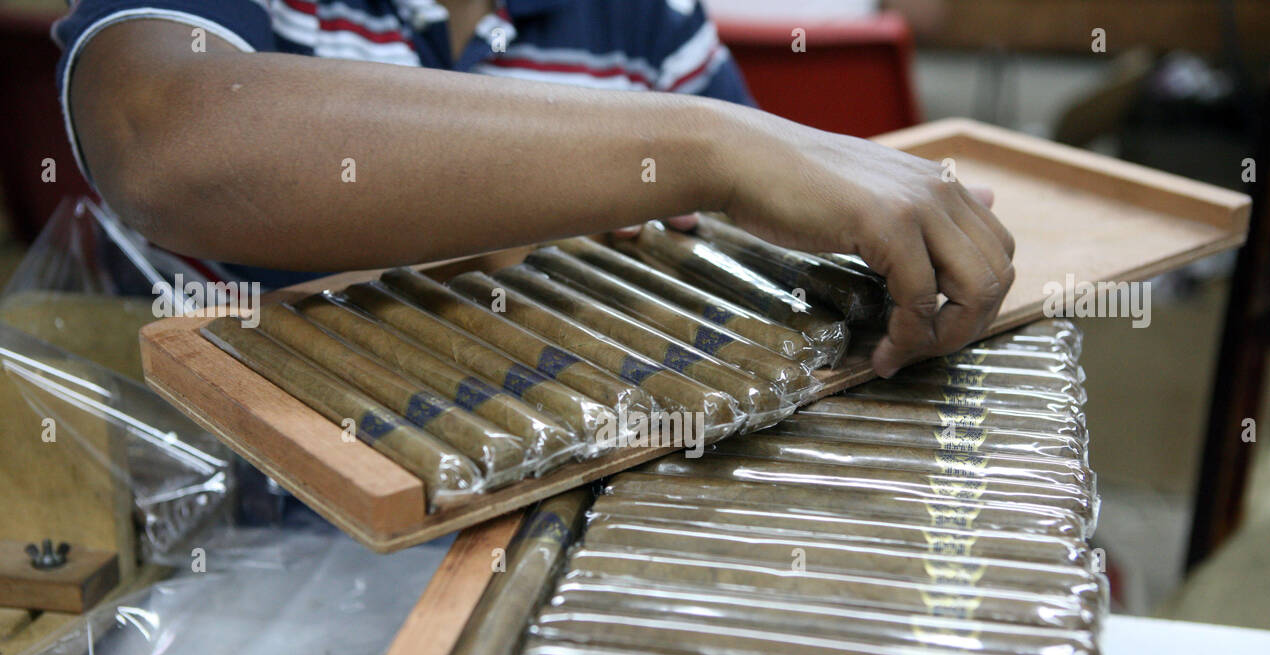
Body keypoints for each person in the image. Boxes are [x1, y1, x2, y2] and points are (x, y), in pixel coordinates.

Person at [54, 0, 1013, 377]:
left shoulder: (644, 24)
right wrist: (713, 145)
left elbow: (757, 274)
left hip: (534, 545)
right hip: (213, 572)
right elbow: (166, 139)